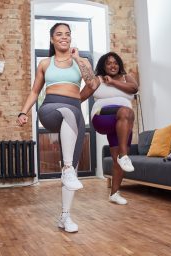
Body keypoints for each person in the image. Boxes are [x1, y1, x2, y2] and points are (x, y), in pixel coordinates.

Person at [16, 23, 99, 233]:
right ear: (52, 39)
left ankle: (65, 216)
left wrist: (79, 58)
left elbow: (93, 85)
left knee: (73, 164)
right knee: (69, 113)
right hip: (50, 109)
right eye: (59, 34)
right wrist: (23, 112)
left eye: (68, 34)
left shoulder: (82, 62)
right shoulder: (45, 63)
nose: (64, 37)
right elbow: (35, 91)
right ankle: (68, 169)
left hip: (73, 114)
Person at [80, 52, 138, 205]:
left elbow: (134, 88)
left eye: (115, 63)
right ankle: (124, 156)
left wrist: (112, 82)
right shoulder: (98, 79)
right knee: (126, 111)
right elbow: (80, 97)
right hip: (102, 117)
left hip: (122, 123)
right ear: (103, 66)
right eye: (109, 63)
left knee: (116, 159)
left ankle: (114, 194)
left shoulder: (127, 77)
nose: (113, 65)